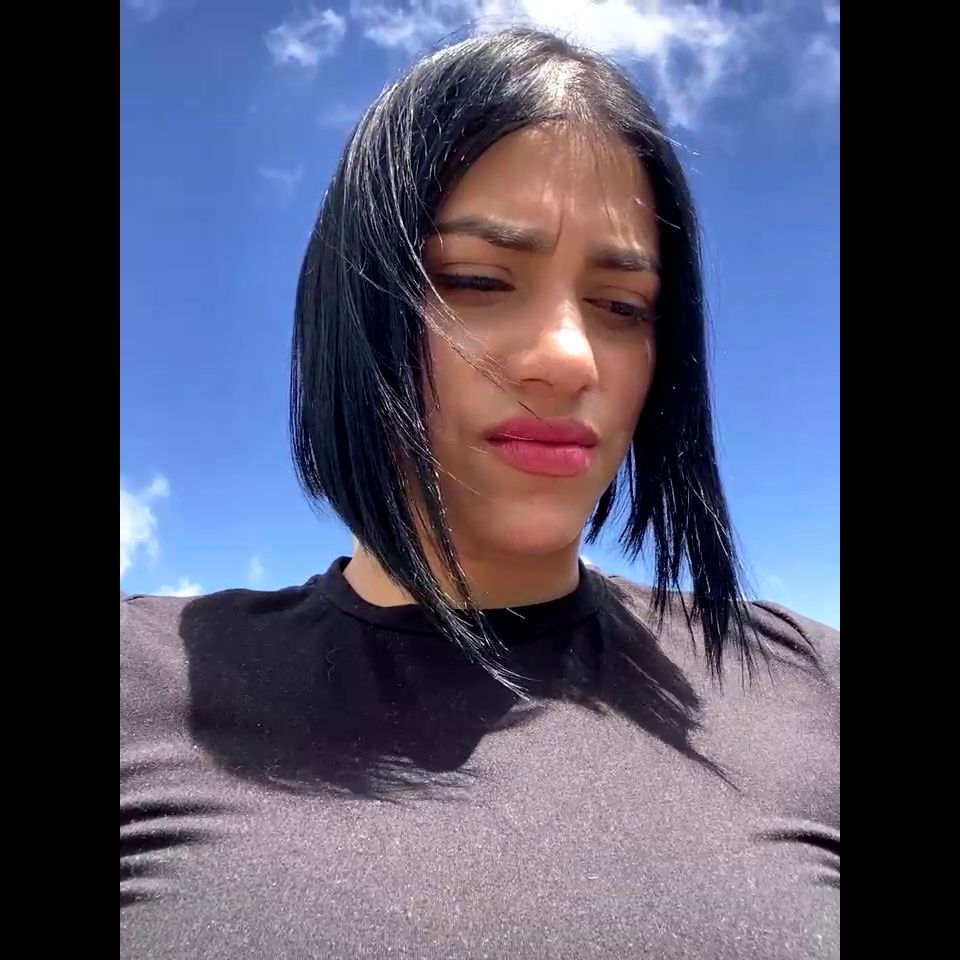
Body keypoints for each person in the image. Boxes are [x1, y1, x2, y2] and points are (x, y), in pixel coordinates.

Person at [120, 28, 839, 959]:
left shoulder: (807, 685)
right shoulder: (143, 681)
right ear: (350, 309)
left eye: (622, 306)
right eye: (476, 280)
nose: (568, 359)